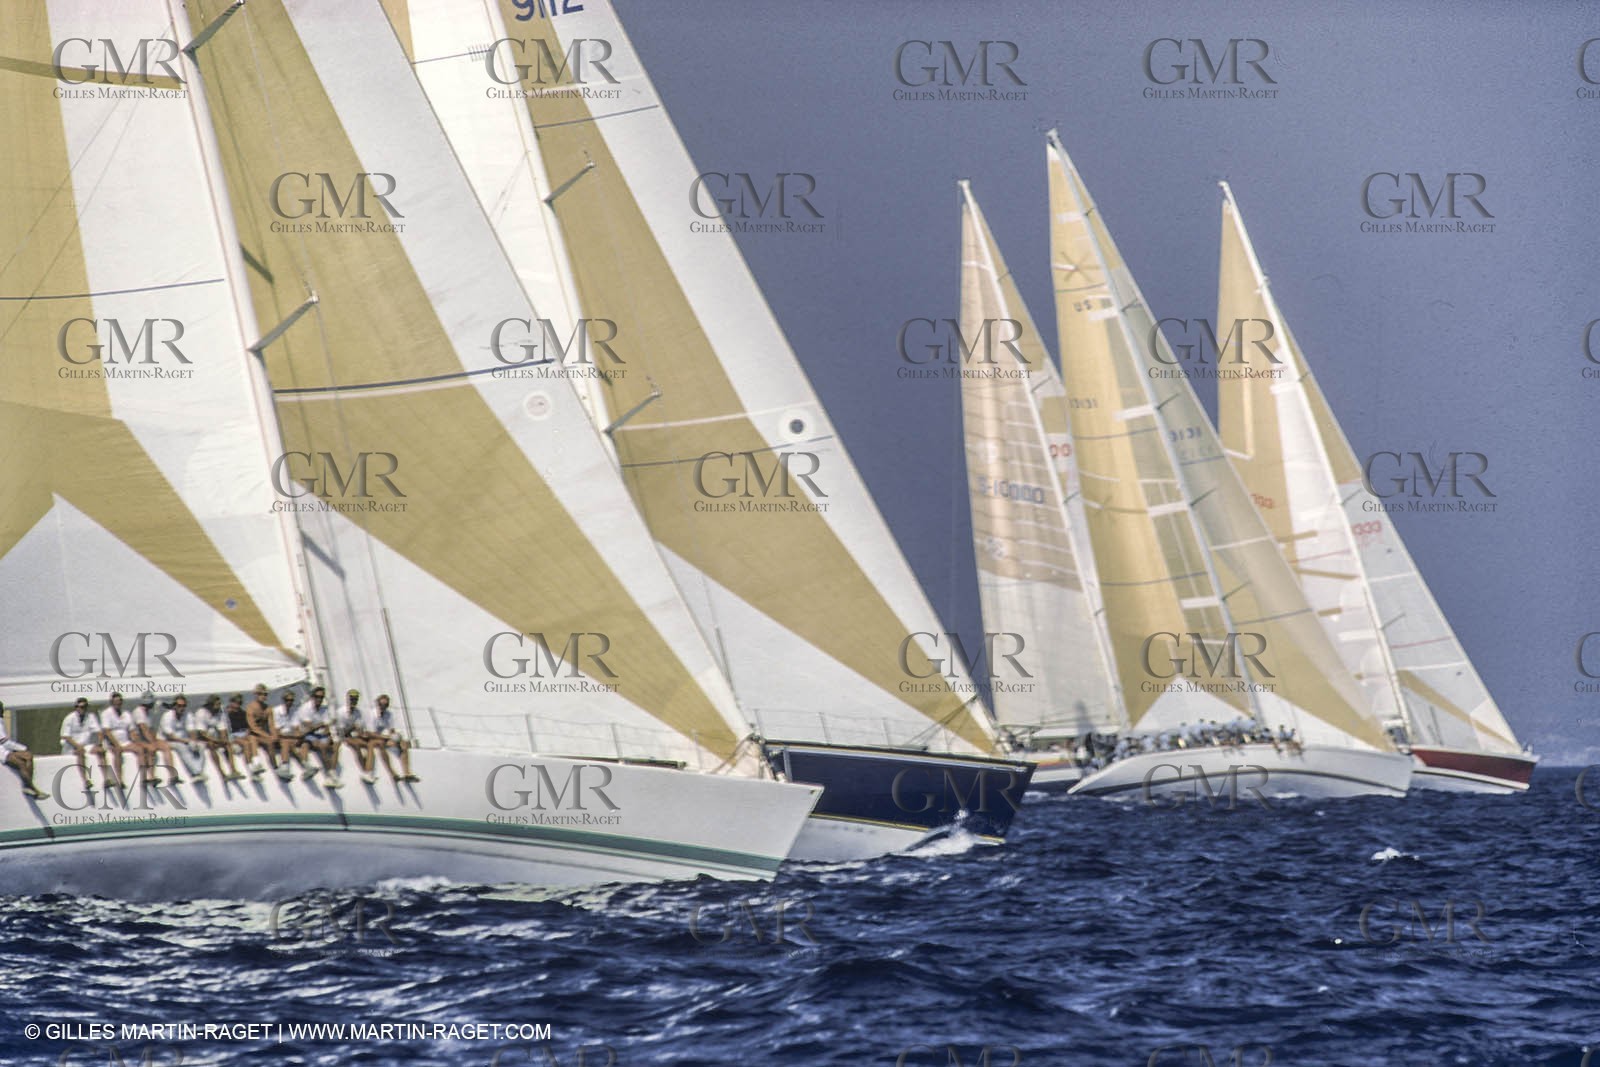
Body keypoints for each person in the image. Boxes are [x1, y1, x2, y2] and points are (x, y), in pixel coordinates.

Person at [130, 691, 179, 788]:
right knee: (151, 749)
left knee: (166, 746)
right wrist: (153, 743)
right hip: (138, 738)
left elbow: (150, 729)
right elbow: (143, 729)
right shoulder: (139, 712)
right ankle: (151, 777)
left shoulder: (148, 712)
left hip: (146, 738)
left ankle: (173, 775)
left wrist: (156, 740)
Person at [0, 702, 48, 800]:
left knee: (28, 756)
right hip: (2, 752)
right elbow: (3, 741)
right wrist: (22, 748)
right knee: (21, 763)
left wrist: (23, 749)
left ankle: (28, 785)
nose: (3, 711)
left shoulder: (1, 721)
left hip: (6, 750)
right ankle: (33, 789)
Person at [59, 697, 105, 793]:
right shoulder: (69, 718)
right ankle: (85, 780)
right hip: (70, 747)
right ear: (76, 707)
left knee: (101, 751)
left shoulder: (90, 716)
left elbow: (99, 731)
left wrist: (100, 743)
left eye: (84, 707)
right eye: (79, 707)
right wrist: (77, 746)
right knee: (80, 752)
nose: (82, 709)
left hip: (85, 745)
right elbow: (66, 736)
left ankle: (106, 779)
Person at [158, 695, 207, 783]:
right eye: (179, 705)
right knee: (182, 747)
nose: (181, 708)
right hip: (167, 741)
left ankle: (199, 771)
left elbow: (191, 731)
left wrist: (193, 742)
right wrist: (186, 741)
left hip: (182, 739)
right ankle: (195, 773)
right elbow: (170, 736)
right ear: (175, 705)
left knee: (201, 745)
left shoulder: (188, 715)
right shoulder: (167, 716)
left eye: (183, 706)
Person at [370, 694, 417, 783]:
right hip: (372, 738)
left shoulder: (389, 714)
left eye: (386, 705)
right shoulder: (372, 714)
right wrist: (387, 737)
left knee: (403, 743)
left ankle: (407, 773)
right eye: (381, 704)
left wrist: (396, 737)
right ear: (377, 704)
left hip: (383, 738)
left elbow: (391, 730)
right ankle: (393, 773)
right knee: (381, 744)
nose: (383, 707)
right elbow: (371, 733)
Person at [337, 689, 377, 785]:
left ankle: (369, 771)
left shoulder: (358, 712)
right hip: (341, 737)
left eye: (355, 699)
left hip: (352, 736)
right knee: (357, 746)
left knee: (369, 745)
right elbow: (342, 733)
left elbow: (360, 729)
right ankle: (365, 771)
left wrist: (361, 733)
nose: (354, 701)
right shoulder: (341, 712)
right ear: (348, 699)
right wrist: (353, 728)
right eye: (352, 699)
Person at [98, 692, 135, 789]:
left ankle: (147, 777)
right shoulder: (106, 713)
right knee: (118, 751)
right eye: (115, 702)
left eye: (119, 702)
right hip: (112, 743)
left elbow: (131, 731)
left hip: (126, 742)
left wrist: (136, 741)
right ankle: (119, 779)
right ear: (111, 702)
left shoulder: (126, 714)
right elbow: (107, 731)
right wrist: (116, 744)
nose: (118, 704)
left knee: (141, 749)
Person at [244, 683, 282, 778]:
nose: (263, 696)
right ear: (256, 695)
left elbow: (271, 724)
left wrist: (274, 735)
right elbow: (252, 726)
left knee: (270, 743)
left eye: (265, 694)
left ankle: (276, 767)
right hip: (253, 733)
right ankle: (256, 764)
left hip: (263, 734)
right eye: (261, 694)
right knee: (252, 739)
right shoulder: (250, 707)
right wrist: (266, 735)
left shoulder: (268, 708)